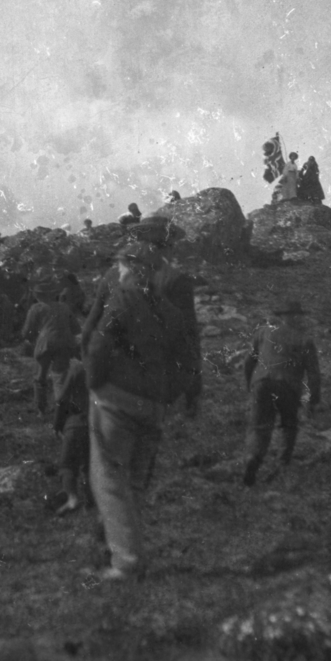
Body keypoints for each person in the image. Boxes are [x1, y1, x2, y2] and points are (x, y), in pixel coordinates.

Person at [85, 241, 201, 580]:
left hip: (116, 401)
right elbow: (188, 361)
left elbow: (98, 344)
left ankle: (126, 562)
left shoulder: (121, 300)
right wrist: (167, 396)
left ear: (133, 270)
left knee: (108, 480)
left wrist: (96, 384)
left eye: (121, 266)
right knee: (134, 483)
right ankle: (124, 553)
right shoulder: (170, 311)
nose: (117, 272)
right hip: (153, 407)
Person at [80, 215, 201, 414]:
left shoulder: (112, 276)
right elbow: (189, 340)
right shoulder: (177, 282)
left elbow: (89, 329)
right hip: (153, 390)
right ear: (166, 246)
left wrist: (92, 380)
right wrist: (193, 389)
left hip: (109, 387)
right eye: (170, 245)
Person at [242, 298, 321, 486]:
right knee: (289, 425)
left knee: (259, 426)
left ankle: (253, 457)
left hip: (262, 383)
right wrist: (313, 401)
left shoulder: (263, 332)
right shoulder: (305, 340)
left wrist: (249, 385)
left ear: (281, 317)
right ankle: (282, 465)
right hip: (288, 386)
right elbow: (314, 375)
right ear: (297, 318)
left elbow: (248, 362)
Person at [21, 276, 80, 415]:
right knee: (59, 377)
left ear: (38, 295)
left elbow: (27, 331)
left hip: (46, 344)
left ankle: (41, 410)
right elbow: (76, 329)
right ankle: (62, 410)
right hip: (65, 343)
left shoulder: (36, 308)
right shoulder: (64, 307)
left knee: (40, 377)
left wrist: (30, 339)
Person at [52, 358, 91, 514]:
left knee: (67, 464)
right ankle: (92, 499)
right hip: (100, 422)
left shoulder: (78, 370)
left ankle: (73, 498)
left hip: (77, 422)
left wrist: (57, 424)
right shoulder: (112, 365)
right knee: (90, 465)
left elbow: (61, 400)